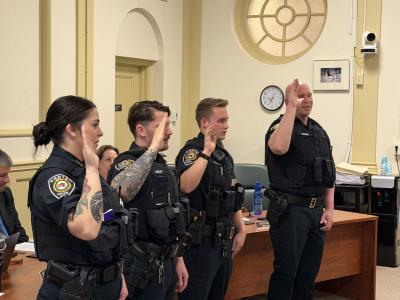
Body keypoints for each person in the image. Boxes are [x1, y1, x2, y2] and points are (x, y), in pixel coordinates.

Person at [29, 95, 134, 300]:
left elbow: (110, 222)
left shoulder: (85, 168)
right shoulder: (54, 177)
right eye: (95, 125)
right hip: (74, 290)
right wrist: (93, 170)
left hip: (104, 284)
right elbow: (87, 229)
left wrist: (117, 274)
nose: (100, 132)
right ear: (71, 129)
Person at [109, 100, 190, 300]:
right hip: (139, 264)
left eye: (169, 125)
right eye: (162, 126)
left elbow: (174, 216)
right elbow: (124, 190)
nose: (169, 131)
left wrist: (178, 259)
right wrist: (152, 149)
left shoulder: (162, 165)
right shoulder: (126, 161)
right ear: (141, 130)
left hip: (167, 261)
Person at [265, 79, 335, 300]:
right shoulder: (279, 127)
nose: (307, 100)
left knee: (308, 275)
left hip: (316, 212)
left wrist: (329, 209)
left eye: (309, 95)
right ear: (288, 101)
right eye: (300, 96)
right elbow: (278, 147)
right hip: (290, 211)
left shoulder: (319, 131)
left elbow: (329, 175)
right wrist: (290, 109)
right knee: (286, 273)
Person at [175, 98, 246, 300]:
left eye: (227, 120)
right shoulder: (192, 151)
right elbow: (186, 185)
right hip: (200, 244)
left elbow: (233, 195)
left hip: (224, 242)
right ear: (205, 123)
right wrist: (206, 153)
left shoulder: (224, 155)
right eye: (221, 120)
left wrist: (240, 229)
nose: (226, 125)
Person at [0, 149, 29, 243]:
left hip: (13, 252)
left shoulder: (5, 193)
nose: (7, 180)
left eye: (7, 174)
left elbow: (18, 230)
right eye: (2, 175)